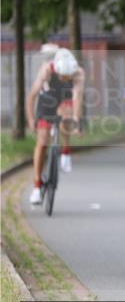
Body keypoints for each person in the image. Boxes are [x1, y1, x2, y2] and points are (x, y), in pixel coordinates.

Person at [26, 48, 85, 205]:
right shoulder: (46, 70)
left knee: (67, 116)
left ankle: (66, 151)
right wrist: (31, 118)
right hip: (48, 98)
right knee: (42, 141)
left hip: (65, 98)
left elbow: (77, 99)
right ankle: (37, 187)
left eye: (68, 77)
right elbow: (31, 96)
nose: (65, 79)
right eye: (62, 76)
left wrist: (77, 122)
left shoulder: (78, 73)